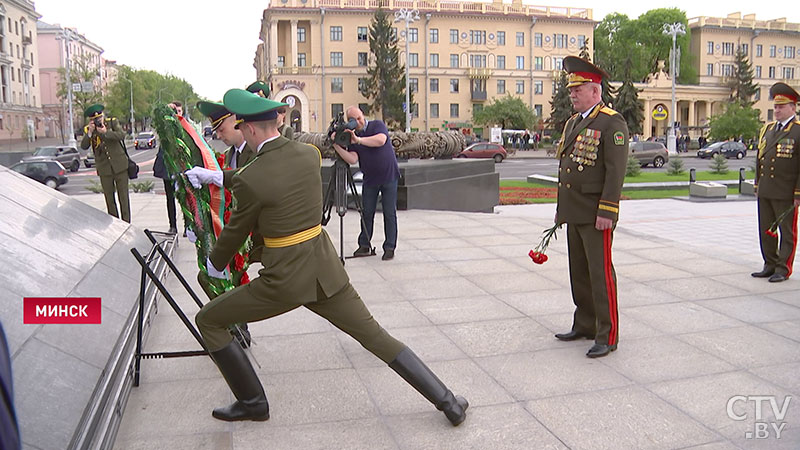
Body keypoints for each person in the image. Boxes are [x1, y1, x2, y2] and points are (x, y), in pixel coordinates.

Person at [193, 88, 468, 425]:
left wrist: (215, 263)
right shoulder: (308, 155)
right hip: (325, 271)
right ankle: (448, 401)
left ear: (249, 129)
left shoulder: (252, 177)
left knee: (209, 320)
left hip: (283, 281)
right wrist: (222, 176)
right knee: (375, 337)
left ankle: (253, 403)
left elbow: (237, 229)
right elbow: (269, 177)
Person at [553, 56, 629, 358]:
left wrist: (607, 210)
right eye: (571, 90)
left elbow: (615, 171)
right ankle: (584, 323)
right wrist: (562, 209)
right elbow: (567, 168)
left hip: (596, 211)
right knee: (579, 273)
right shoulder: (574, 122)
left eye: (578, 89)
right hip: (575, 210)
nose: (572, 94)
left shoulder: (611, 122)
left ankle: (607, 334)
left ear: (595, 91)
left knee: (600, 274)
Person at [332, 105, 400, 261]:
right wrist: (336, 144)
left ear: (363, 116)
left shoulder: (377, 125)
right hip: (370, 179)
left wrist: (359, 140)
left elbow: (381, 140)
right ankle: (364, 244)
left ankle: (390, 247)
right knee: (367, 212)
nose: (358, 122)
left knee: (389, 213)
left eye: (359, 118)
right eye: (354, 120)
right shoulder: (352, 138)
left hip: (389, 176)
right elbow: (353, 158)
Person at [751, 82, 800, 283]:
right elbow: (760, 158)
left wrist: (798, 193)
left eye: (781, 106)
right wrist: (757, 185)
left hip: (786, 191)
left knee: (787, 232)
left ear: (793, 107)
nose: (777, 110)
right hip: (766, 190)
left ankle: (783, 268)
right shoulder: (768, 129)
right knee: (766, 229)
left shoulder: (797, 131)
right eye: (776, 106)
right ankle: (769, 264)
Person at [80, 104, 131, 223]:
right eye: (95, 120)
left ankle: (126, 223)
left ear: (103, 116)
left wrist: (106, 132)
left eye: (99, 118)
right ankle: (115, 224)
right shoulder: (89, 130)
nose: (98, 121)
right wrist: (90, 132)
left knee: (123, 198)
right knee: (109, 199)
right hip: (104, 169)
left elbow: (121, 135)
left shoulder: (112, 123)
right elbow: (84, 146)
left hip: (120, 166)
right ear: (90, 121)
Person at [152, 101, 185, 234]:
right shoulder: (165, 125)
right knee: (170, 198)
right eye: (174, 111)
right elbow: (157, 121)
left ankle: (188, 226)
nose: (176, 114)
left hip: (182, 167)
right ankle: (173, 226)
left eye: (179, 111)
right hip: (167, 167)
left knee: (185, 198)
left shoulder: (185, 126)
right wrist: (166, 110)